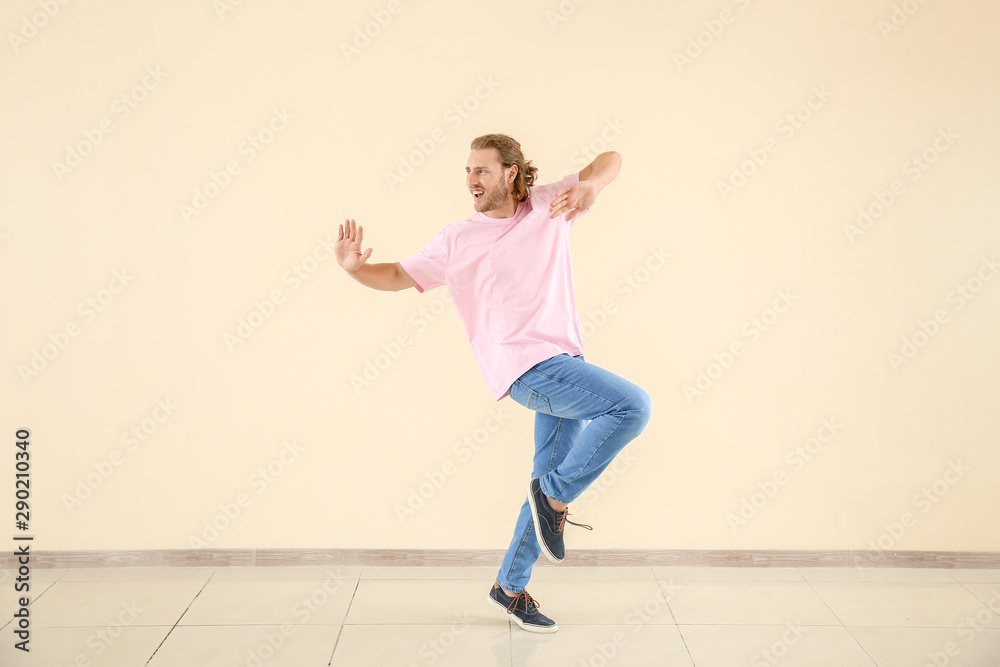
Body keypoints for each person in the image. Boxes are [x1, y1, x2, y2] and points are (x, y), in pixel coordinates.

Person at [335, 133, 651, 633]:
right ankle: (554, 499)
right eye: (466, 171)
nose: (471, 181)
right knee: (632, 407)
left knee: (546, 475)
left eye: (480, 170)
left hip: (563, 359)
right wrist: (355, 270)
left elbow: (612, 157)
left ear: (510, 172)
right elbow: (397, 273)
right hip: (526, 367)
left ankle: (509, 585)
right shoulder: (457, 239)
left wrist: (592, 185)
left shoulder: (550, 203)